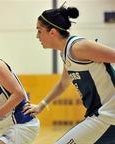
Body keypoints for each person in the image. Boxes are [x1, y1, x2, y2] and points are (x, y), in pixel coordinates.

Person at [23, 5, 115, 144]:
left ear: (52, 32)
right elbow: (63, 84)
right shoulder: (66, 53)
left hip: (106, 116)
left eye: (39, 31)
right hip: (100, 116)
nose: (37, 36)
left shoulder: (79, 47)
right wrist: (41, 106)